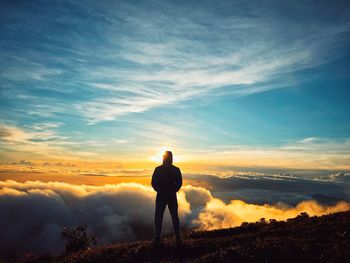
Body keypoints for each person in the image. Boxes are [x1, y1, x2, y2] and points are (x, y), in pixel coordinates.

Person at [151, 151, 182, 246]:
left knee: (160, 217)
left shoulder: (159, 169)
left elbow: (154, 183)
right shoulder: (175, 169)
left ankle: (158, 238)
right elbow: (179, 183)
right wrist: (172, 190)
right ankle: (176, 237)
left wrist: (161, 190)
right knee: (170, 217)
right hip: (168, 196)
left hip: (164, 196)